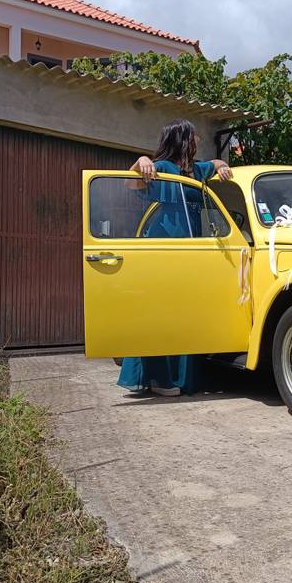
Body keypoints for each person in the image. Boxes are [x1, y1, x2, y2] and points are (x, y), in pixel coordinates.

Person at [116, 119, 232, 397]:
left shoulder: (195, 170)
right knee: (160, 311)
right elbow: (129, 184)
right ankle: (158, 378)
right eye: (194, 136)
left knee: (184, 313)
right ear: (183, 139)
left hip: (191, 249)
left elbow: (215, 163)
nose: (198, 141)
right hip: (163, 242)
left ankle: (178, 377)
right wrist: (141, 160)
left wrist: (223, 165)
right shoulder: (163, 167)